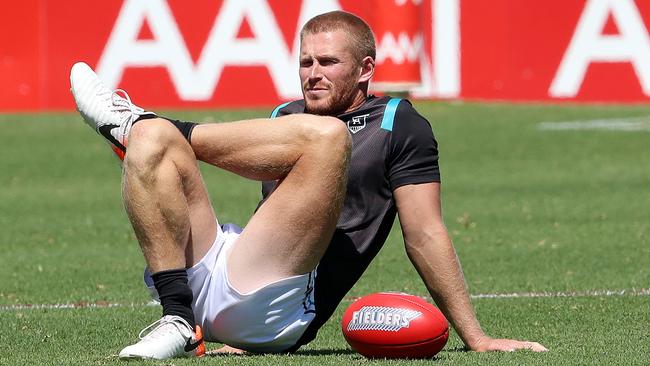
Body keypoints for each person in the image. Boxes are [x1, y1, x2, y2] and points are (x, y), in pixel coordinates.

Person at [71, 10, 547, 360]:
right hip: (229, 275)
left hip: (282, 308)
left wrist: (476, 338)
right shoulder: (287, 116)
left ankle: (139, 122)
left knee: (326, 135)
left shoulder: (401, 123)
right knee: (152, 142)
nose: (313, 73)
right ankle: (177, 318)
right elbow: (275, 220)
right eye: (305, 62)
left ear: (365, 69)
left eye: (328, 62)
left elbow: (424, 233)